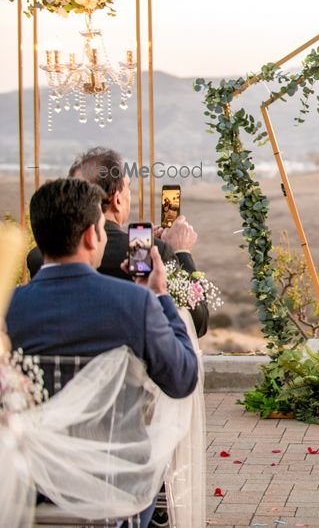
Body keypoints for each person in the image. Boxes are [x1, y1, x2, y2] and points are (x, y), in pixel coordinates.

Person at [6, 178, 199, 528]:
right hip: (117, 492)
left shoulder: (9, 310)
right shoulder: (134, 304)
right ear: (91, 236)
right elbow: (182, 378)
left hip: (33, 488)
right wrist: (159, 296)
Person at [25, 147, 209, 337]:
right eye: (128, 187)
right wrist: (181, 252)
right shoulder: (143, 250)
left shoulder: (39, 256)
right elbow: (197, 323)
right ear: (117, 199)